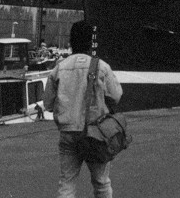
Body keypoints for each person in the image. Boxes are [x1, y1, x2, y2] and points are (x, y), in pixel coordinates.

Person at [43, 21, 122, 198]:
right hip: (95, 134)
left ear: (71, 41)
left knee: (66, 183)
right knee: (101, 182)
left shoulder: (60, 67)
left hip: (68, 133)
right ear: (90, 42)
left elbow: (47, 103)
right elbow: (116, 95)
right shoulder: (101, 67)